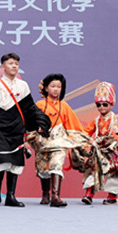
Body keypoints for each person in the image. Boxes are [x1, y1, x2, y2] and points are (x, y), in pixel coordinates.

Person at [0, 53, 51, 208]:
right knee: (2, 158)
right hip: (1, 126)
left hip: (17, 128)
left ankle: (11, 196)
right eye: (10, 63)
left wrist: (39, 123)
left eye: (16, 63)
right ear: (3, 66)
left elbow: (30, 109)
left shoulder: (23, 85)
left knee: (16, 162)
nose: (14, 66)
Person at [28, 73, 86, 207]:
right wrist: (38, 129)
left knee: (57, 164)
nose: (56, 89)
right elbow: (31, 123)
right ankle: (45, 194)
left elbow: (73, 125)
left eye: (59, 87)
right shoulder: (39, 105)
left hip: (59, 140)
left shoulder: (64, 106)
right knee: (43, 168)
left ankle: (55, 196)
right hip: (43, 141)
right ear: (46, 88)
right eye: (53, 86)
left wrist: (81, 140)